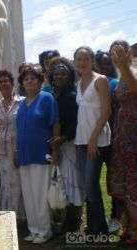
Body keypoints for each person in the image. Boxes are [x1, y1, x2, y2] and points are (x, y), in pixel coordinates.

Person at [15, 63, 60, 244]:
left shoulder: (47, 98)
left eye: (33, 78)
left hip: (41, 154)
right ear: (22, 83)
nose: (29, 81)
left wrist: (55, 150)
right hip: (24, 155)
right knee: (29, 194)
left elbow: (55, 123)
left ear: (40, 80)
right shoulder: (22, 104)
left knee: (41, 194)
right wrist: (16, 152)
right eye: (26, 79)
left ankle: (45, 231)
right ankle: (34, 230)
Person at [74, 46, 111, 236]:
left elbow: (106, 111)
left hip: (97, 139)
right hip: (81, 140)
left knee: (90, 184)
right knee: (88, 185)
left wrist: (94, 138)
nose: (82, 63)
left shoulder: (100, 80)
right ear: (75, 62)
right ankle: (93, 227)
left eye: (85, 59)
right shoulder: (78, 83)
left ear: (91, 60)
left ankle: (101, 230)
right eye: (78, 59)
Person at [47, 57, 83, 233]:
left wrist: (63, 138)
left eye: (64, 74)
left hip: (70, 144)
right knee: (64, 182)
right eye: (57, 74)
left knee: (72, 180)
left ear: (70, 77)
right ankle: (67, 219)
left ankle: (74, 220)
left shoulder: (72, 96)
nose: (60, 77)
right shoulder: (55, 96)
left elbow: (76, 122)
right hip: (59, 145)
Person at [0, 70, 25, 221]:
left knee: (18, 183)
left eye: (6, 81)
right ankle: (9, 216)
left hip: (18, 148)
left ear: (12, 83)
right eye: (0, 82)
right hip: (2, 151)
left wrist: (18, 150)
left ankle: (22, 217)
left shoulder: (22, 102)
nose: (3, 84)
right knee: (6, 182)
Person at [108, 40, 137, 244]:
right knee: (126, 181)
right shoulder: (119, 76)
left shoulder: (132, 71)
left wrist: (124, 65)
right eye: (113, 52)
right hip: (122, 135)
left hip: (134, 135)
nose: (116, 55)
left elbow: (134, 88)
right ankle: (129, 224)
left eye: (120, 50)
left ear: (128, 54)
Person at [95, 50, 120, 233]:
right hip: (97, 138)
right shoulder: (93, 82)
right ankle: (99, 219)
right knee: (94, 181)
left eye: (107, 63)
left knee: (114, 180)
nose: (105, 66)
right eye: (101, 63)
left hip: (115, 137)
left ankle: (116, 216)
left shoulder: (115, 83)